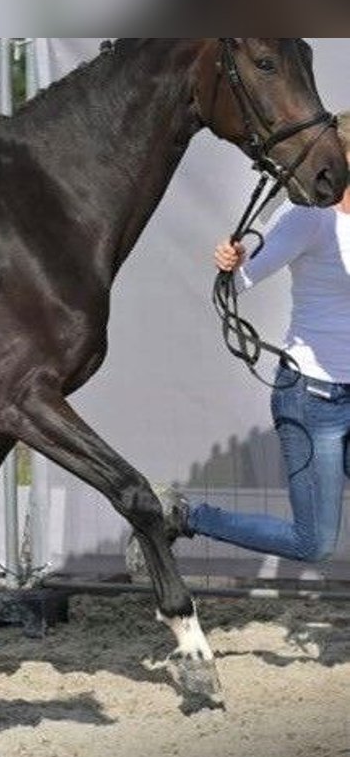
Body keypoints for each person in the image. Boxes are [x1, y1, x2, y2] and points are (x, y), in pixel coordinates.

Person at [138, 113, 350, 568]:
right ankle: (184, 516)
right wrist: (231, 261)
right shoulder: (308, 218)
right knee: (314, 542)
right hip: (316, 399)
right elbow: (236, 282)